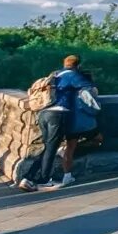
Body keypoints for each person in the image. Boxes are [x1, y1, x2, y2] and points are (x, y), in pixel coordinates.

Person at [17, 55, 95, 192]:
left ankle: (28, 178)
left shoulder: (56, 74)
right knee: (51, 149)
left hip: (43, 113)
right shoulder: (73, 75)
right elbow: (90, 89)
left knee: (48, 147)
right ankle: (43, 180)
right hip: (58, 114)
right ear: (78, 65)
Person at [50, 69, 101, 190]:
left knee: (70, 147)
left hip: (69, 122)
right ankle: (68, 154)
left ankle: (67, 175)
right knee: (99, 139)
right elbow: (91, 106)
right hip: (85, 124)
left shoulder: (67, 90)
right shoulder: (85, 90)